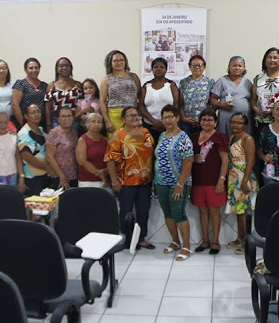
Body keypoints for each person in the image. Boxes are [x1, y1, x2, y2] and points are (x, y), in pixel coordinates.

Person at [104, 106, 155, 249]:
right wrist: (114, 181)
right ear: (123, 119)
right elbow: (110, 159)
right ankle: (127, 239)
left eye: (136, 115)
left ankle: (141, 238)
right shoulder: (118, 135)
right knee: (126, 211)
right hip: (125, 181)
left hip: (145, 180)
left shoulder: (146, 132)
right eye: (130, 115)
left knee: (143, 210)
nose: (134, 117)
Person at [154, 105, 194, 261]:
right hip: (160, 182)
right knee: (168, 213)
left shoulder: (183, 137)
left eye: (171, 116)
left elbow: (188, 161)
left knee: (178, 213)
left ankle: (186, 247)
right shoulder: (162, 135)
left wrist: (180, 184)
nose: (168, 120)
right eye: (165, 117)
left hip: (178, 183)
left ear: (177, 118)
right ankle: (175, 242)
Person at [190, 109, 229, 255]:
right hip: (197, 180)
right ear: (199, 121)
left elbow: (225, 160)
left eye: (210, 120)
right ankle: (205, 240)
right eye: (204, 120)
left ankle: (216, 242)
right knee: (202, 211)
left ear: (215, 122)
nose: (206, 122)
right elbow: (188, 157)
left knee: (214, 211)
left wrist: (221, 180)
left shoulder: (220, 137)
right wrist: (193, 158)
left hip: (214, 181)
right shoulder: (193, 137)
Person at [226, 113, 259, 255]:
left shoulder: (248, 139)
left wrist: (245, 181)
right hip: (234, 178)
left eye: (239, 123)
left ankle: (247, 242)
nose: (235, 125)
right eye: (233, 122)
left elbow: (251, 161)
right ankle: (240, 238)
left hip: (244, 178)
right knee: (238, 212)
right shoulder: (232, 137)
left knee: (245, 213)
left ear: (245, 125)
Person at [250, 47, 279, 133]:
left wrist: (277, 108)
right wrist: (257, 110)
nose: (272, 60)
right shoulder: (258, 78)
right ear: (265, 60)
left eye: (275, 58)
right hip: (262, 120)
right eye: (269, 57)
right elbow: (253, 99)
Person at [100, 50, 141, 136]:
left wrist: (139, 117)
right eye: (115, 60)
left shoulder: (134, 77)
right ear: (110, 63)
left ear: (125, 61)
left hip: (132, 115)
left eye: (121, 60)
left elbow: (140, 98)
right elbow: (102, 102)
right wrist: (107, 121)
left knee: (132, 143)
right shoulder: (106, 79)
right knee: (115, 144)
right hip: (114, 116)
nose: (119, 62)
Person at [210, 56, 253, 138]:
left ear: (244, 68)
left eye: (240, 66)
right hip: (226, 118)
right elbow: (212, 99)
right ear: (229, 67)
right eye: (234, 65)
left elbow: (252, 100)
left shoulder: (247, 82)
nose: (237, 68)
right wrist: (222, 105)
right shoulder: (222, 81)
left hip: (244, 120)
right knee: (225, 141)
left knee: (243, 144)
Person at [139, 57, 179, 143]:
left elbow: (176, 104)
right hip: (149, 125)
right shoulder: (146, 86)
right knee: (150, 151)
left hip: (169, 125)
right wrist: (153, 121)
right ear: (152, 69)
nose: (158, 69)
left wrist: (165, 121)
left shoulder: (171, 85)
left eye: (162, 67)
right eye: (156, 67)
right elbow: (141, 106)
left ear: (166, 69)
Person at [17, 104, 51, 196]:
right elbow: (27, 156)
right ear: (26, 116)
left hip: (44, 174)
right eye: (32, 112)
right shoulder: (24, 133)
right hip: (32, 176)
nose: (36, 114)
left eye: (38, 112)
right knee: (36, 205)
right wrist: (47, 168)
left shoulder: (41, 130)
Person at [179, 55, 215, 135]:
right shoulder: (183, 82)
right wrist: (184, 118)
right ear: (189, 67)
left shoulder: (210, 82)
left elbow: (213, 102)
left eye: (200, 65)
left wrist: (207, 118)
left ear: (204, 67)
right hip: (187, 122)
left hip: (205, 122)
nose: (197, 67)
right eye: (194, 65)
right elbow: (180, 103)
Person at [44, 57, 82, 134]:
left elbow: (81, 104)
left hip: (73, 121)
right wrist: (48, 124)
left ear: (71, 68)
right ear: (57, 69)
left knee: (72, 144)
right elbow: (47, 107)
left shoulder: (77, 84)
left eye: (67, 65)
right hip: (56, 120)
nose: (64, 67)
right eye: (61, 66)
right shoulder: (51, 85)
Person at [45, 107, 78, 189]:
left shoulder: (74, 133)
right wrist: (61, 176)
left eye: (69, 116)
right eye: (63, 116)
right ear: (58, 119)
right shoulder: (54, 133)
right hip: (58, 176)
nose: (66, 119)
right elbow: (49, 156)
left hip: (73, 175)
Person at [11, 57, 48, 128]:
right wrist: (23, 124)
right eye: (31, 68)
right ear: (25, 70)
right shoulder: (21, 84)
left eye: (36, 68)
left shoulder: (44, 85)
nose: (34, 70)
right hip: (25, 123)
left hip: (41, 123)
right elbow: (14, 105)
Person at [76, 113, 108, 188]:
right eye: (93, 122)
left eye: (99, 122)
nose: (96, 124)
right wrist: (101, 175)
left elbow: (109, 160)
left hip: (103, 181)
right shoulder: (82, 140)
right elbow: (82, 162)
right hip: (87, 181)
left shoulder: (105, 140)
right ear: (87, 124)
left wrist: (106, 171)